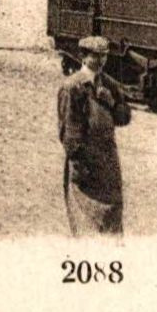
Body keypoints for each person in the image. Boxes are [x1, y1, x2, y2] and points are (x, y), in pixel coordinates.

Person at [57, 36, 131, 235]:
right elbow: (69, 130)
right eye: (95, 56)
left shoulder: (109, 84)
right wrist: (79, 164)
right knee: (86, 218)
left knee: (112, 213)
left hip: (108, 160)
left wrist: (112, 103)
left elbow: (124, 118)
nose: (101, 61)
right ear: (83, 56)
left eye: (104, 56)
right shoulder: (72, 87)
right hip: (86, 161)